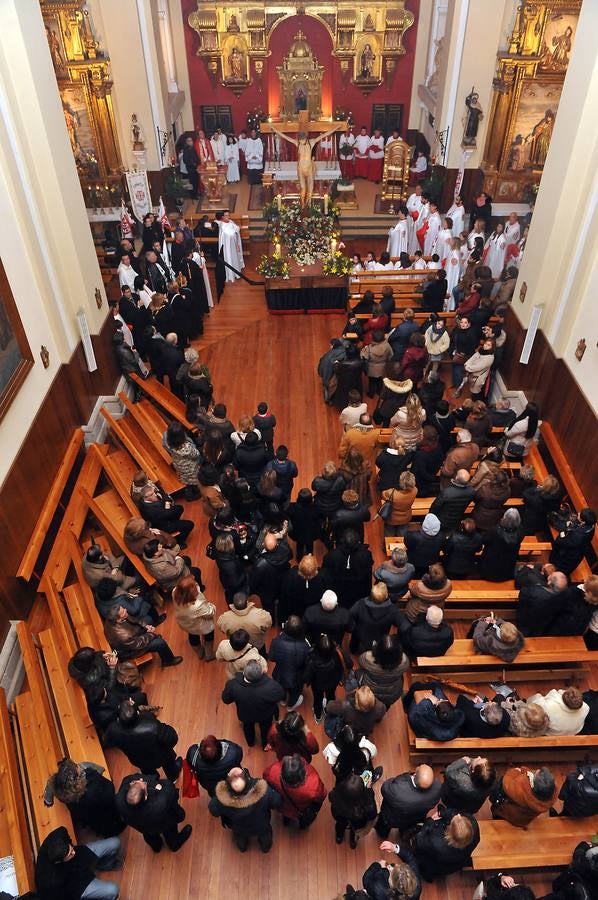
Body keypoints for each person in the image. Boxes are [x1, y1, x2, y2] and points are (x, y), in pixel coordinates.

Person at [44, 758, 124, 839]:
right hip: (103, 812)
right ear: (77, 782)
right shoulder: (92, 782)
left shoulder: (61, 788)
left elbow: (49, 792)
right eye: (77, 767)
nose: (79, 766)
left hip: (85, 816)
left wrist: (48, 801)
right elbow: (109, 788)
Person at [34, 825, 121, 900]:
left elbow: (63, 830)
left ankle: (101, 864)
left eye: (71, 849)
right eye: (70, 854)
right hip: (73, 884)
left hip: (77, 860)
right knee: (113, 890)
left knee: (115, 842)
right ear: (58, 862)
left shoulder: (56, 838)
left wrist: (70, 846)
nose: (73, 852)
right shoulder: (51, 880)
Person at [208, 766, 282, 853]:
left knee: (240, 837)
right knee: (265, 835)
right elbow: (277, 802)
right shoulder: (263, 791)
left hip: (239, 827)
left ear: (227, 783)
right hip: (261, 825)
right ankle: (265, 848)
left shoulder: (221, 799)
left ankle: (242, 847)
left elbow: (214, 811)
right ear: (247, 777)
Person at [105, 697, 182, 780]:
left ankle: (154, 782)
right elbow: (173, 738)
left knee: (149, 774)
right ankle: (173, 778)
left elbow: (109, 741)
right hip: (161, 755)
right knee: (170, 766)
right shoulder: (152, 725)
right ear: (137, 712)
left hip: (139, 760)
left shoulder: (113, 731)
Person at [116, 773, 191, 853]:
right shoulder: (160, 803)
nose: (141, 780)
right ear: (145, 797)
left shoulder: (119, 800)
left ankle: (156, 847)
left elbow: (127, 779)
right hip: (163, 822)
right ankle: (174, 845)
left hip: (142, 826)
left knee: (150, 836)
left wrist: (138, 784)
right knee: (170, 833)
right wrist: (154, 784)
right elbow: (169, 786)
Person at [221, 659, 285, 748]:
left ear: (244, 673)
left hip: (245, 715)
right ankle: (265, 744)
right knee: (266, 730)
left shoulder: (233, 685)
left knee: (247, 728)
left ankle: (250, 743)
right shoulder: (271, 685)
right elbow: (281, 694)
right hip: (265, 715)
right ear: (261, 673)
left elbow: (226, 700)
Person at [412, 808, 480, 881]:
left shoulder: (436, 843)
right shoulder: (473, 824)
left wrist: (429, 822)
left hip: (436, 864)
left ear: (450, 831)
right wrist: (441, 813)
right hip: (455, 864)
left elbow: (420, 841)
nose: (458, 815)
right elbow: (457, 812)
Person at [375, 764, 442, 838]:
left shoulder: (396, 789)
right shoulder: (438, 787)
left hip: (392, 818)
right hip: (416, 818)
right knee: (406, 828)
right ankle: (402, 833)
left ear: (415, 774)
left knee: (383, 827)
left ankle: (382, 835)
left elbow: (385, 788)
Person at [103, 605, 182, 667]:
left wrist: (146, 626)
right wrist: (151, 634)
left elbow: (134, 619)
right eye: (123, 611)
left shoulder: (115, 619)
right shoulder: (122, 636)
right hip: (131, 650)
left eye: (123, 608)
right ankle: (168, 661)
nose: (125, 610)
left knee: (149, 620)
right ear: (118, 620)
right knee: (159, 642)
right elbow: (138, 644)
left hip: (132, 636)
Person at [263, 753, 327, 829]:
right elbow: (322, 794)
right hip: (300, 810)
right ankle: (302, 826)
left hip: (282, 806)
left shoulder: (273, 771)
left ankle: (286, 821)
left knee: (286, 815)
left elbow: (265, 777)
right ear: (304, 773)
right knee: (303, 820)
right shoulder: (314, 783)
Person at [491, 765, 557, 828]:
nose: (535, 771)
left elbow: (506, 782)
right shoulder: (549, 795)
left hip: (508, 811)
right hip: (524, 819)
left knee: (499, 811)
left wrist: (516, 771)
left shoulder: (521, 790)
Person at [322, 529, 373, 609]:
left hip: (337, 590)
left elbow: (325, 573)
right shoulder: (366, 555)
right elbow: (368, 575)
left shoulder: (331, 555)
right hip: (358, 591)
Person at [349, 583, 405, 654]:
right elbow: (404, 627)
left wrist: (354, 630)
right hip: (381, 642)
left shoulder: (360, 604)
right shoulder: (393, 609)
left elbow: (349, 618)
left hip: (361, 640)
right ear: (386, 595)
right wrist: (394, 638)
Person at [357, 634, 410, 709]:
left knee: (358, 672)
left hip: (370, 690)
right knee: (386, 705)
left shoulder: (367, 658)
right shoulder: (404, 662)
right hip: (393, 692)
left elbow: (360, 662)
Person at [268, 615, 310, 710]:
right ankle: (290, 706)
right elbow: (307, 663)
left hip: (280, 674)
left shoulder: (276, 641)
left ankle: (282, 700)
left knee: (281, 689)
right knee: (295, 693)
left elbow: (271, 658)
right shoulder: (305, 646)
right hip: (297, 677)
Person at [172, 573, 215, 659]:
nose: (196, 584)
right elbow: (210, 612)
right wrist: (210, 605)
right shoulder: (197, 605)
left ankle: (200, 654)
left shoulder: (175, 592)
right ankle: (209, 655)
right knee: (209, 636)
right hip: (201, 625)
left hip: (186, 623)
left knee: (192, 636)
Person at [329, 774, 377, 848]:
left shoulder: (337, 792)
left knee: (340, 825)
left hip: (340, 816)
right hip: (358, 821)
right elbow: (372, 814)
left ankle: (339, 836)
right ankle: (352, 840)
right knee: (355, 829)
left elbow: (330, 798)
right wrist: (369, 789)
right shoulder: (367, 799)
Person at [478, 508, 525, 581]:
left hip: (491, 565)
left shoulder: (495, 532)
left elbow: (484, 540)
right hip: (508, 567)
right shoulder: (520, 531)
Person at [550, 508, 597, 576]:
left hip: (566, 557)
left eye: (579, 515)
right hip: (574, 550)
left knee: (556, 569)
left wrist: (565, 530)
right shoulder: (590, 525)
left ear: (583, 522)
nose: (578, 513)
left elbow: (562, 541)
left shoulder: (578, 536)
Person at [162, 421, 201, 500]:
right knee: (193, 483)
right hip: (191, 469)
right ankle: (192, 494)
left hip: (179, 466)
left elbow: (164, 445)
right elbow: (196, 454)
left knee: (187, 480)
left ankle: (188, 490)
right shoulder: (187, 447)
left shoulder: (168, 442)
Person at [404, 514, 444, 578]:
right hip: (430, 562)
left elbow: (407, 544)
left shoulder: (412, 536)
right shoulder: (441, 537)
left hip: (413, 561)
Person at [288, 488, 321, 559]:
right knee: (310, 546)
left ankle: (299, 558)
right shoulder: (316, 509)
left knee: (299, 546)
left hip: (298, 532)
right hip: (311, 533)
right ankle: (309, 558)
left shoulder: (292, 508)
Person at [361, 333, 394, 398]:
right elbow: (391, 355)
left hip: (372, 369)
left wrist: (363, 350)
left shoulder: (369, 348)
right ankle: (379, 392)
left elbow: (363, 356)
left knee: (372, 382)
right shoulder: (387, 346)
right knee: (380, 381)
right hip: (383, 367)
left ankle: (371, 394)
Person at [217, 210, 244, 283]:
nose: (228, 217)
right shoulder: (222, 225)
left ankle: (236, 273)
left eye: (229, 215)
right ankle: (230, 274)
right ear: (223, 217)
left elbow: (237, 228)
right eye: (226, 215)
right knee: (229, 259)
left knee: (235, 258)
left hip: (233, 246)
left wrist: (236, 231)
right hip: (227, 248)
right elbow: (228, 234)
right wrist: (233, 233)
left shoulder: (231, 222)